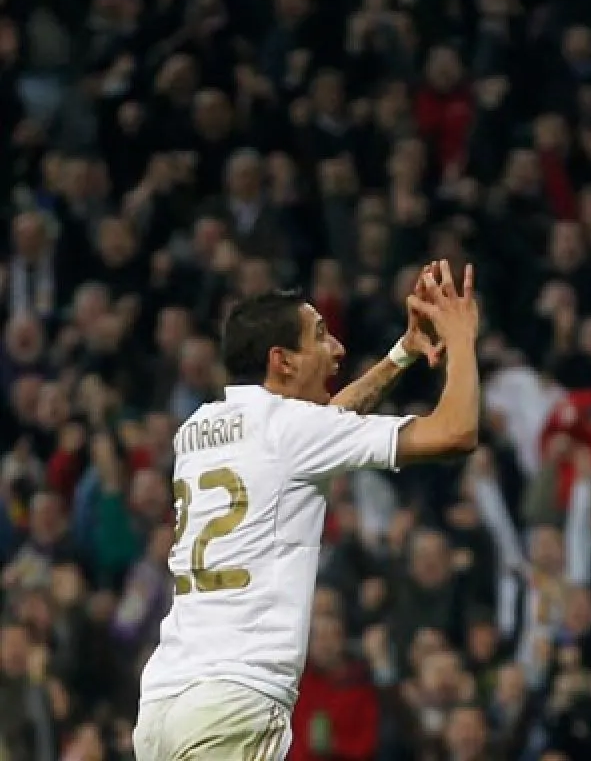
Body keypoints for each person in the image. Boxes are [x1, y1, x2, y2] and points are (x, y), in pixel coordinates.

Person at [131, 260, 480, 760]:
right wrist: (461, 337)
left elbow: (321, 425)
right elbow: (456, 431)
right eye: (319, 336)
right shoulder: (292, 432)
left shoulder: (198, 428)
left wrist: (403, 353)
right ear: (283, 361)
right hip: (234, 701)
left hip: (164, 702)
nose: (337, 349)